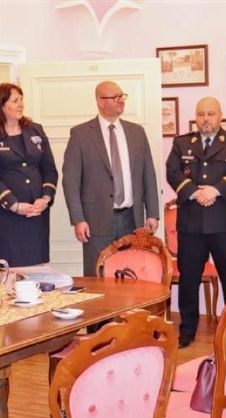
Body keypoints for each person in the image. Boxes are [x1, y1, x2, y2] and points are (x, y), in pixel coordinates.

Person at [166, 96, 226, 348]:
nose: (205, 119)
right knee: (189, 278)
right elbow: (172, 172)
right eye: (201, 114)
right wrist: (195, 192)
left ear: (220, 115)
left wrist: (215, 191)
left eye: (210, 114)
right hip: (191, 222)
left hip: (225, 221)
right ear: (196, 117)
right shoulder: (182, 143)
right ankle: (187, 329)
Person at [62, 80, 159, 276]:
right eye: (115, 97)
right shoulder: (81, 134)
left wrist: (152, 213)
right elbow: (70, 181)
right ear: (100, 101)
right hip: (96, 220)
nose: (121, 100)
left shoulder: (137, 132)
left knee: (131, 274)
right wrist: (78, 219)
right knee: (97, 274)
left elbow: (148, 174)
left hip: (132, 219)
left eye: (122, 96)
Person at [0, 83, 58, 267]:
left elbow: (49, 169)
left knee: (36, 265)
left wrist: (45, 198)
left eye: (21, 99)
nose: (21, 104)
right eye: (15, 101)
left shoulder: (35, 129)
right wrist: (14, 205)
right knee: (9, 268)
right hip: (6, 214)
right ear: (1, 105)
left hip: (35, 212)